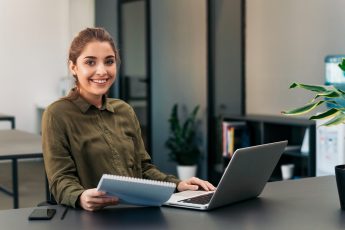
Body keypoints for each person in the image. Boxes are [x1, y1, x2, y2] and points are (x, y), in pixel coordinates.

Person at [42, 27, 215, 212]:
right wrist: (80, 196)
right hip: (92, 218)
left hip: (137, 212)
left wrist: (178, 184)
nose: (101, 71)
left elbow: (143, 169)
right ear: (73, 67)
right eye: (90, 62)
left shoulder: (124, 110)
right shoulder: (57, 114)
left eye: (109, 61)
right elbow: (60, 180)